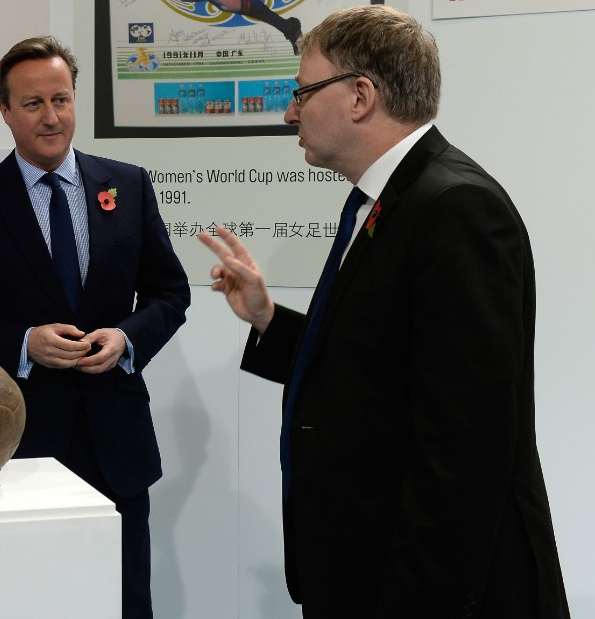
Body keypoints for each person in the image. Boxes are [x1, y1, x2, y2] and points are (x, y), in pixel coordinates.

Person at [198, 6, 569, 618]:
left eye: (302, 92)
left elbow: (464, 448)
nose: (290, 112)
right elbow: (371, 375)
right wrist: (269, 319)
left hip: (422, 588)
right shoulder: (383, 201)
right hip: (366, 571)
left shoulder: (456, 210)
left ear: (360, 96)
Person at [0, 36, 190, 619]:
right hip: (16, 443)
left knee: (123, 599)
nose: (51, 116)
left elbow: (171, 293)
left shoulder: (129, 185)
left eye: (61, 100)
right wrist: (22, 343)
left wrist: (127, 338)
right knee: (28, 598)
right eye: (33, 104)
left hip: (116, 442)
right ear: (6, 111)